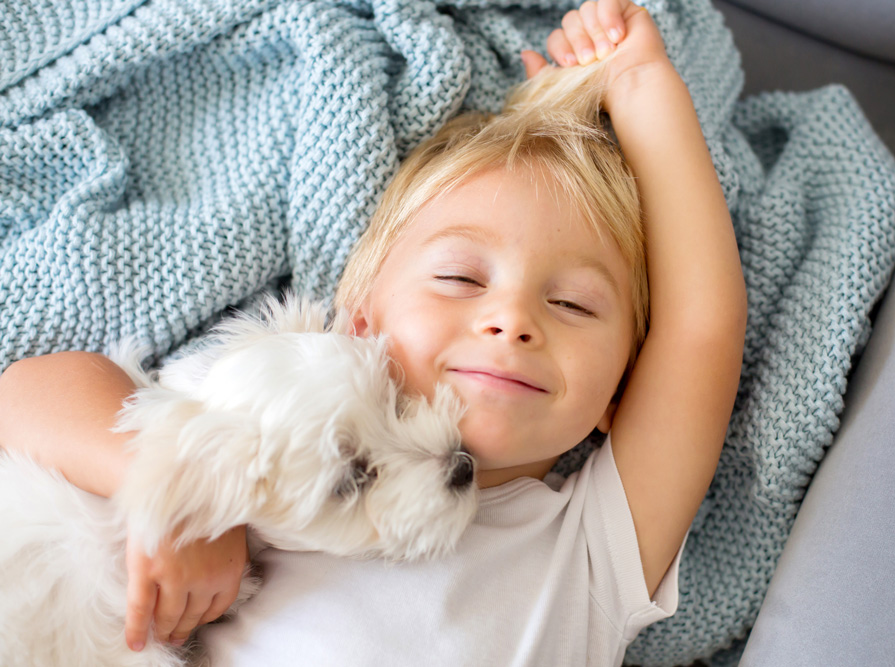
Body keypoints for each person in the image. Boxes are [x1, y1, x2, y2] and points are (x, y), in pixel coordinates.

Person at [0, 1, 746, 664]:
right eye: (460, 277)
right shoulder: (300, 420)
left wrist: (643, 89)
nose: (511, 320)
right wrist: (173, 501)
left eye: (575, 305)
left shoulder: (592, 547)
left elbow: (700, 329)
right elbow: (26, 394)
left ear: (623, 388)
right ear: (362, 322)